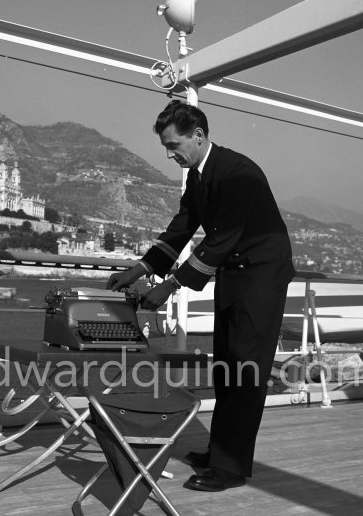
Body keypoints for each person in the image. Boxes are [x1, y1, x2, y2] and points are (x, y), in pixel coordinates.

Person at [107, 100, 295, 492]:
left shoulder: (239, 172)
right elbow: (181, 228)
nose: (170, 154)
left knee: (246, 372)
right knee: (227, 367)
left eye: (174, 145)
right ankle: (221, 451)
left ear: (198, 135)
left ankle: (230, 469)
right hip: (235, 276)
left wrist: (169, 286)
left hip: (262, 279)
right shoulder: (197, 177)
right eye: (165, 147)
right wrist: (141, 269)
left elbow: (222, 238)